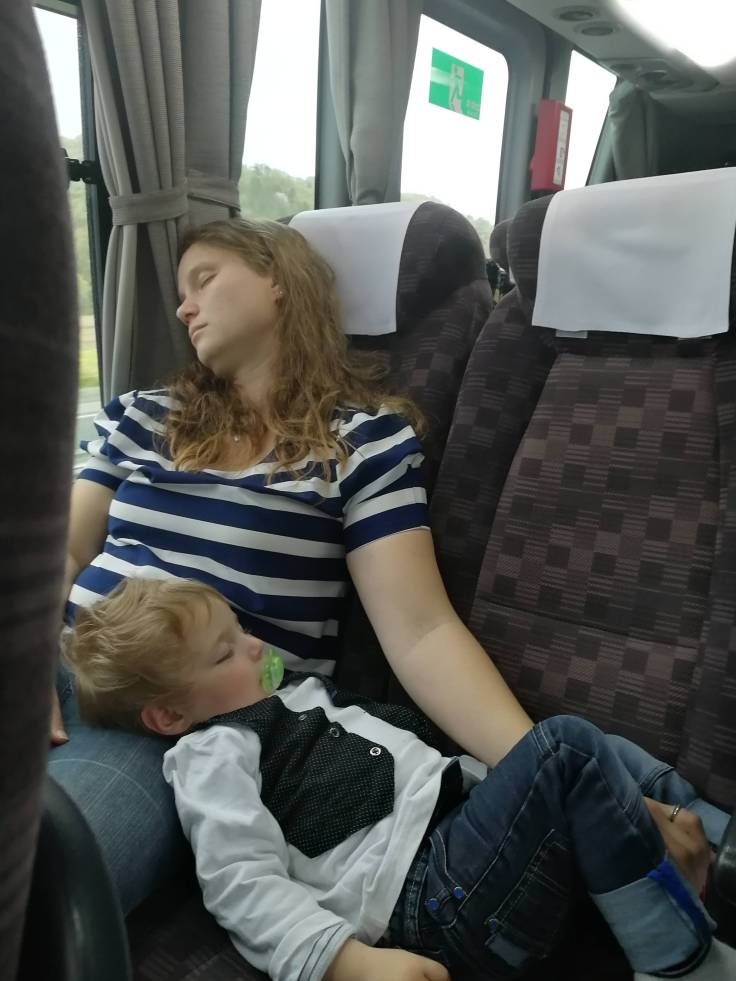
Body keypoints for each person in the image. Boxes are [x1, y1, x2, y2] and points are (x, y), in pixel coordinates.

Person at [49, 216, 537, 914]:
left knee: (42, 890)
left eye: (203, 280)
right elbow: (64, 551)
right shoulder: (143, 416)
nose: (184, 308)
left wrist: (549, 775)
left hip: (163, 716)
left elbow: (422, 634)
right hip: (55, 653)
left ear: (277, 277)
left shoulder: (362, 443)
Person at [64, 576, 733, 981]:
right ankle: (682, 961)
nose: (255, 646)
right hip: (431, 902)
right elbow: (240, 883)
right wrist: (346, 963)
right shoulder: (213, 755)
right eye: (224, 654)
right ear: (169, 715)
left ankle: (721, 849)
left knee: (602, 752)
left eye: (240, 630)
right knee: (567, 750)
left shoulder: (299, 696)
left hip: (471, 849)